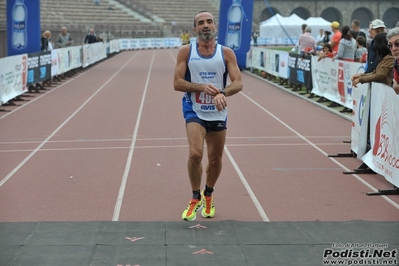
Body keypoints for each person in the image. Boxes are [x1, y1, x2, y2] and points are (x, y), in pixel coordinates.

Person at [173, 11, 243, 221]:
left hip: (217, 111)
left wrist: (222, 93)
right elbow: (177, 83)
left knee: (215, 160)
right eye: (201, 23)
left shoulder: (226, 53)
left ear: (215, 27)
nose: (205, 25)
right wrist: (201, 87)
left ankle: (208, 193)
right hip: (194, 108)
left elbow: (238, 82)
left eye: (209, 22)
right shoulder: (186, 51)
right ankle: (195, 197)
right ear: (195, 29)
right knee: (195, 154)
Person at [387, 27, 399, 94]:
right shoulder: (396, 62)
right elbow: (395, 84)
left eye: (397, 44)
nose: (393, 49)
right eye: (390, 45)